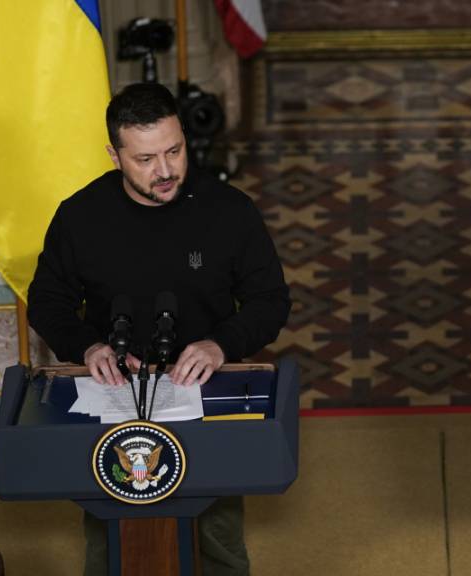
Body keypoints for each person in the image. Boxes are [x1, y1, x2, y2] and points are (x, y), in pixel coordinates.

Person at [27, 82, 291, 575]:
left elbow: (271, 301)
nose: (165, 170)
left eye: (174, 150)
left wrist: (221, 345)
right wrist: (88, 347)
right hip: (113, 395)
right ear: (115, 155)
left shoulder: (229, 211)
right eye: (145, 159)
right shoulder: (80, 217)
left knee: (218, 539)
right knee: (111, 538)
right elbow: (47, 302)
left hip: (207, 391)